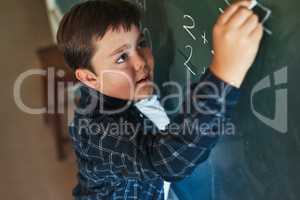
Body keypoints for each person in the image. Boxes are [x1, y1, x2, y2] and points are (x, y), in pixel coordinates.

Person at [56, 0, 263, 199]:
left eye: (141, 44)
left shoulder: (121, 89)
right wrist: (225, 72)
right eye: (121, 58)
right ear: (90, 78)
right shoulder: (96, 132)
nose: (140, 62)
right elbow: (167, 162)